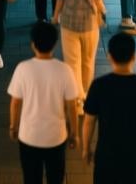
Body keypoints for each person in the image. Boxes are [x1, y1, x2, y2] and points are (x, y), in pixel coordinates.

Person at [82, 33, 136, 184]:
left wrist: (86, 148)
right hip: (135, 157)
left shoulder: (99, 85)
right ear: (134, 57)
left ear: (110, 57)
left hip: (106, 156)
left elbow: (89, 122)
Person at [7, 21, 81, 184]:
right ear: (55, 44)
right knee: (56, 178)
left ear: (33, 45)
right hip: (56, 136)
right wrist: (74, 133)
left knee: (31, 178)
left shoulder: (23, 68)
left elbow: (15, 103)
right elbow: (72, 106)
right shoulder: (64, 70)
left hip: (28, 136)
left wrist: (13, 126)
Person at [52, 0, 106, 109]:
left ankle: (77, 99)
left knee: (72, 63)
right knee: (88, 62)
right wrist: (103, 13)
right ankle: (86, 95)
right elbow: (98, 0)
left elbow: (59, 0)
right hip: (89, 24)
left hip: (69, 24)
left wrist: (55, 17)